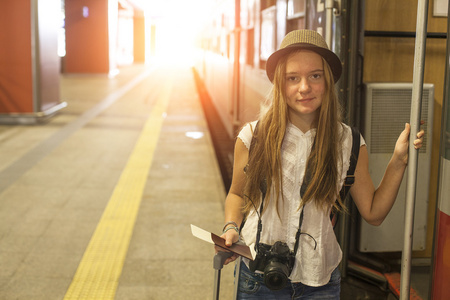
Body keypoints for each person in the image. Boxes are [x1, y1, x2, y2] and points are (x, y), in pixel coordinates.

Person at [216, 29, 425, 299]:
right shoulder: (253, 137)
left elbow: (374, 213)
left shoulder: (348, 142)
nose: (305, 87)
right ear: (280, 83)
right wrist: (231, 227)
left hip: (321, 285)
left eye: (315, 76)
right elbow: (236, 194)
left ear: (327, 81)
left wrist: (398, 161)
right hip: (258, 280)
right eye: (293, 78)